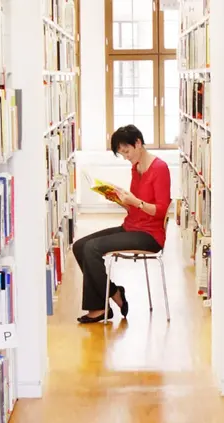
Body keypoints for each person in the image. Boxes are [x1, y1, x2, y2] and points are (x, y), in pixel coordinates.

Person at [72, 124, 172, 324]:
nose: (126, 156)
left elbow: (160, 210)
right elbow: (135, 207)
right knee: (80, 246)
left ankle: (102, 306)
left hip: (150, 236)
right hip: (132, 226)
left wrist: (135, 202)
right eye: (121, 153)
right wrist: (119, 200)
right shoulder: (136, 168)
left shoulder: (160, 168)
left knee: (92, 248)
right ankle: (114, 293)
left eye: (127, 151)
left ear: (138, 143)